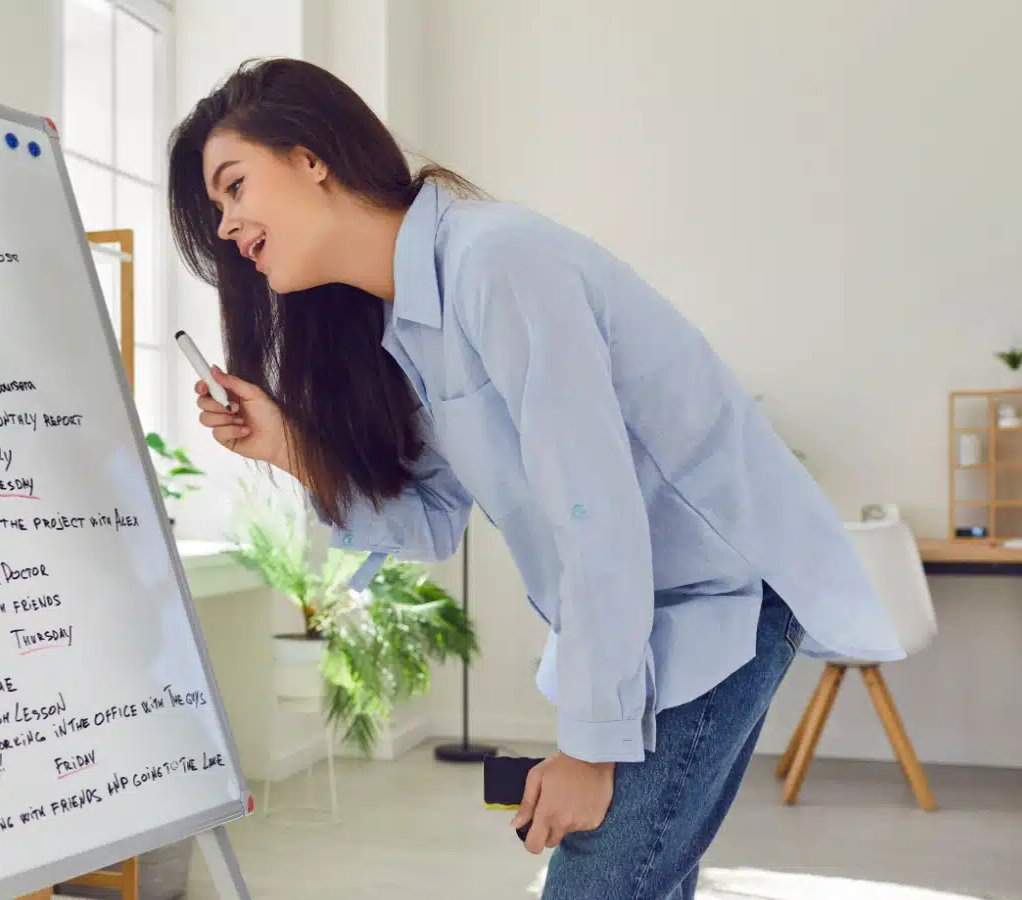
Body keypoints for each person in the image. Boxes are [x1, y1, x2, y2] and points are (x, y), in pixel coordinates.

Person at [166, 58, 905, 899]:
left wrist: (590, 750)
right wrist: (290, 445)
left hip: (721, 602)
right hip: (657, 613)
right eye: (216, 208)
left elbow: (593, 512)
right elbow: (435, 520)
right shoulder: (406, 321)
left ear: (310, 157)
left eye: (233, 188)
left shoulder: (495, 261)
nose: (226, 226)